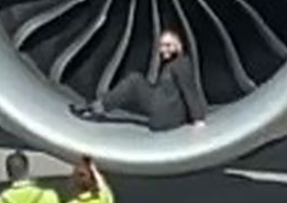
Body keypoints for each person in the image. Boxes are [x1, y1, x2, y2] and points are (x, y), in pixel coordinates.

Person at [70, 30, 206, 132]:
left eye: (169, 45)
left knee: (134, 81)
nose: (164, 49)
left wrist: (198, 119)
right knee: (135, 81)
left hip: (165, 116)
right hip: (161, 105)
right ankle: (98, 106)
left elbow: (190, 90)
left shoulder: (181, 64)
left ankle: (96, 108)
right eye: (162, 45)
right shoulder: (173, 63)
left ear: (179, 45)